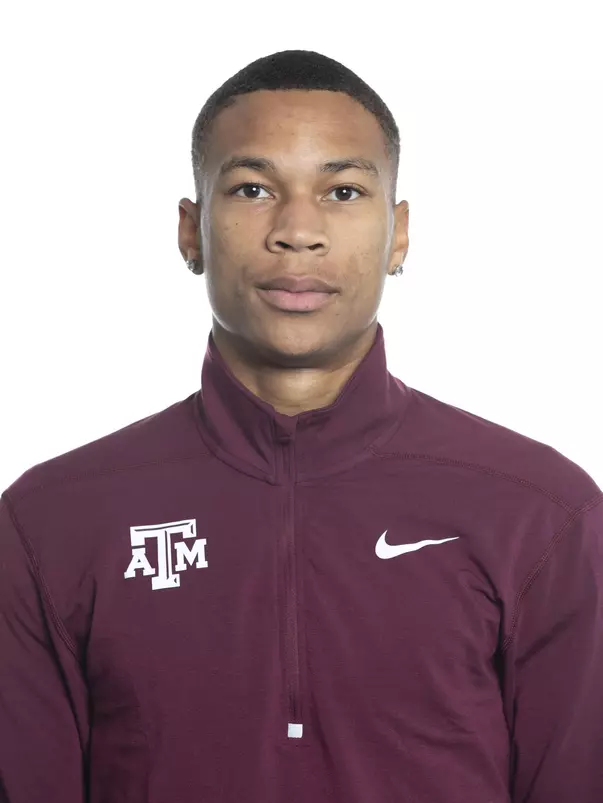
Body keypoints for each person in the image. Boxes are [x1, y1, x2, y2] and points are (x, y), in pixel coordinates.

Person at [0, 48, 601, 803]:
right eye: (252, 188)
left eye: (343, 190)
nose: (296, 230)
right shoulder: (51, 519)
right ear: (191, 231)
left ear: (399, 232)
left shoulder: (538, 511)